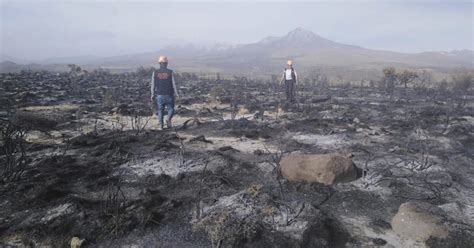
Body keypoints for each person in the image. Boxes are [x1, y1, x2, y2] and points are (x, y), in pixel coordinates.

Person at [150, 56, 180, 130]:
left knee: (160, 110)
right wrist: (177, 93)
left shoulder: (155, 72)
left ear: (159, 63)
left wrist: (152, 94)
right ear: (166, 63)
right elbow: (174, 84)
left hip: (159, 95)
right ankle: (168, 120)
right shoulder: (170, 72)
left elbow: (153, 85)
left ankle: (161, 126)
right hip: (169, 94)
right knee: (171, 109)